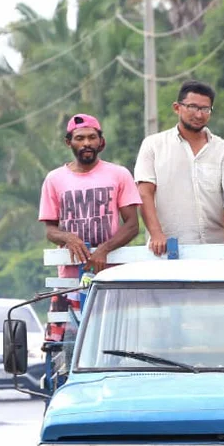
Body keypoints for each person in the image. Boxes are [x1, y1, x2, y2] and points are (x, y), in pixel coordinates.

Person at [39, 113, 142, 342]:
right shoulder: (54, 179)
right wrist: (69, 239)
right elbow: (50, 230)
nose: (86, 143)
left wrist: (103, 251)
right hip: (69, 282)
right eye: (79, 138)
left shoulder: (119, 174)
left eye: (92, 137)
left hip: (112, 280)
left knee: (115, 343)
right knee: (64, 349)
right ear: (69, 142)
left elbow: (133, 225)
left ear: (100, 142)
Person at [135, 80, 224, 255]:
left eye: (205, 109)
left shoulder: (222, 148)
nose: (199, 115)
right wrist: (156, 234)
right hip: (168, 249)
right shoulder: (154, 145)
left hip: (217, 249)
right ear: (177, 107)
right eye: (193, 107)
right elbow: (144, 193)